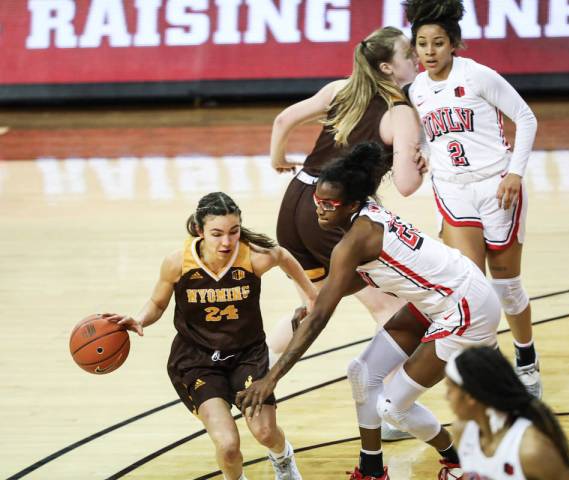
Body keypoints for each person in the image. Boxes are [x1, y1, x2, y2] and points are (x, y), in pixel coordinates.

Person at [237, 142, 501, 480]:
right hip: (443, 295)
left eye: (329, 204)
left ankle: (460, 462)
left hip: (465, 306)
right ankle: (372, 470)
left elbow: (322, 318)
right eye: (317, 201)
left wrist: (270, 379)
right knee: (362, 372)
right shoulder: (363, 217)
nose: (320, 210)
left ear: (351, 204)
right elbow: (347, 283)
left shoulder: (354, 240)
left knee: (393, 408)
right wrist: (316, 299)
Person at [104, 192, 315, 480]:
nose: (226, 242)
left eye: (234, 232)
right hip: (197, 360)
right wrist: (139, 318)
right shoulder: (178, 263)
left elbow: (282, 255)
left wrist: (311, 298)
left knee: (265, 432)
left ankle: (282, 458)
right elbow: (157, 304)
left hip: (247, 355)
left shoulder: (252, 258)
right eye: (217, 234)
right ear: (199, 230)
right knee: (228, 446)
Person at [403, 0, 542, 397]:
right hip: (451, 188)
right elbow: (433, 136)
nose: (429, 52)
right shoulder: (416, 90)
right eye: (422, 44)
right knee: (470, 290)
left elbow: (527, 118)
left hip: (496, 185)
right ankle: (488, 372)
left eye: (438, 43)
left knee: (507, 286)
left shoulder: (478, 75)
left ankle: (526, 356)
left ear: (453, 45)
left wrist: (515, 173)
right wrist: (425, 153)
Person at [266, 26, 426, 358]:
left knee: (313, 307)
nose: (416, 57)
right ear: (387, 68)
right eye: (408, 53)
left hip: (295, 203)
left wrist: (277, 159)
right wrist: (422, 164)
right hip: (330, 214)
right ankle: (388, 398)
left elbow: (283, 120)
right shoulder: (399, 112)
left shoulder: (340, 89)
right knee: (391, 308)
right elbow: (407, 186)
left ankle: (254, 368)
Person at [444, 346, 569, 479]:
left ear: (470, 397)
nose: (446, 396)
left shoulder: (531, 451)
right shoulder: (462, 431)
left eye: (449, 388)